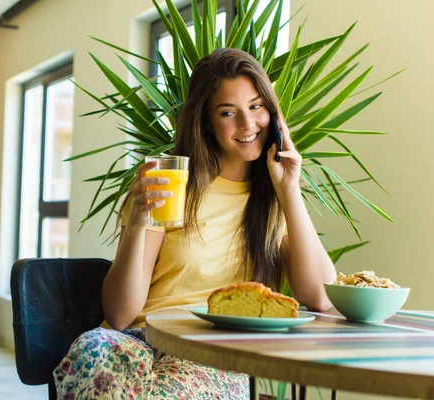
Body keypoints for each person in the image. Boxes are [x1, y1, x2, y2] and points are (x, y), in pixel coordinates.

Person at [53, 48, 337, 399]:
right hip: (139, 341)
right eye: (227, 112)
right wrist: (137, 224)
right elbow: (121, 315)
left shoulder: (276, 200)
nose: (247, 124)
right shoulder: (170, 182)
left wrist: (290, 189)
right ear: (205, 121)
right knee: (92, 349)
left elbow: (321, 296)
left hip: (214, 355)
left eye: (256, 106)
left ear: (273, 114)